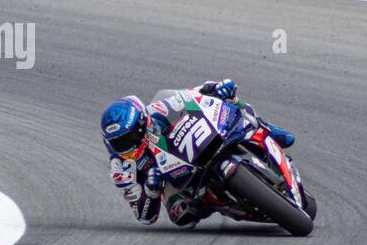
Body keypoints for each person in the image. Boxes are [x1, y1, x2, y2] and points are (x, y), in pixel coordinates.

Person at [100, 79, 295, 227]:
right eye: (118, 142)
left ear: (143, 124)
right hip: (174, 182)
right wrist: (151, 192)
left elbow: (192, 94)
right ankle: (213, 200)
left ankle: (266, 129)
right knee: (181, 216)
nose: (125, 146)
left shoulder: (157, 111)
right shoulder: (122, 168)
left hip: (191, 145)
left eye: (129, 138)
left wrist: (216, 88)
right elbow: (144, 217)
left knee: (230, 101)